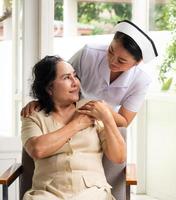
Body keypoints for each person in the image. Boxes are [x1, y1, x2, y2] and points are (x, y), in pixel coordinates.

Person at [21, 56, 126, 200]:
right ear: (49, 88)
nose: (75, 82)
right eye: (66, 78)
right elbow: (37, 149)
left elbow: (119, 157)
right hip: (47, 193)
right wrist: (77, 125)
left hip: (92, 192)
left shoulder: (93, 109)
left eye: (75, 76)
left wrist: (107, 118)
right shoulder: (33, 115)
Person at [21, 20, 158, 127]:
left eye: (121, 61)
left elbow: (124, 121)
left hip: (104, 125)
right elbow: (58, 81)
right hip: (67, 117)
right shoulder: (88, 54)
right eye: (110, 51)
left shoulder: (141, 80)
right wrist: (41, 101)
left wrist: (102, 110)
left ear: (137, 62)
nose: (112, 61)